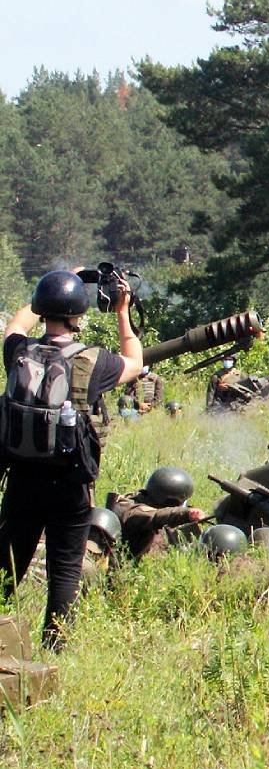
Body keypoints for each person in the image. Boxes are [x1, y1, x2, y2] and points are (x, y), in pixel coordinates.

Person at [0, 269, 142, 649]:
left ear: (42, 307)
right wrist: (122, 310)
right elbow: (135, 361)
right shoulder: (93, 361)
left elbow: (16, 322)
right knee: (64, 569)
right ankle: (55, 648)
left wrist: (64, 277)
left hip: (21, 478)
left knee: (8, 562)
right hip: (70, 484)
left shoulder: (18, 352)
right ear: (78, 312)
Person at [107, 466, 206, 559]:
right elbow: (155, 516)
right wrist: (186, 513)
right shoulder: (131, 509)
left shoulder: (151, 503)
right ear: (172, 502)